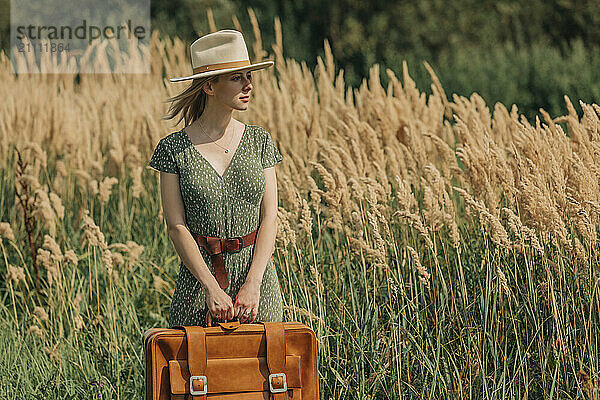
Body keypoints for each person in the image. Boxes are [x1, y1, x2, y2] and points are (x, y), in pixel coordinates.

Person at [147, 30, 284, 327]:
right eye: (237, 78)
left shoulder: (260, 141)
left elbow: (270, 218)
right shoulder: (173, 150)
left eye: (248, 76)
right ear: (209, 86)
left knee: (269, 370)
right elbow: (176, 225)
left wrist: (254, 284)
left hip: (259, 287)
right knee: (195, 372)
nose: (248, 85)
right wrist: (211, 287)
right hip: (199, 288)